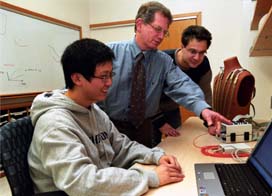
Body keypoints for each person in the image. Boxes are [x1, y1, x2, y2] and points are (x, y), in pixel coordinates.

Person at [28, 38, 184, 196]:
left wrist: (156, 156)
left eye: (111, 75)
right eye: (103, 77)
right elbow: (83, 182)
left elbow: (121, 147)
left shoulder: (93, 109)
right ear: (77, 78)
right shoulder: (55, 125)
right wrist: (151, 177)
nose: (110, 82)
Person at [99, 1, 231, 147]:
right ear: (139, 24)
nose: (161, 36)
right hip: (110, 127)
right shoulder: (109, 53)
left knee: (144, 166)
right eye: (157, 29)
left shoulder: (163, 61)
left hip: (143, 128)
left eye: (165, 32)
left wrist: (204, 110)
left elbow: (183, 86)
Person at [155, 25, 214, 143]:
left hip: (172, 109)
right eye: (193, 51)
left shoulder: (204, 65)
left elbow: (206, 93)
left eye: (202, 53)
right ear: (182, 47)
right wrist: (159, 122)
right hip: (152, 112)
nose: (197, 58)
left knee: (178, 142)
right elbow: (147, 96)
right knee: (154, 146)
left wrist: (210, 121)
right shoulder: (162, 60)